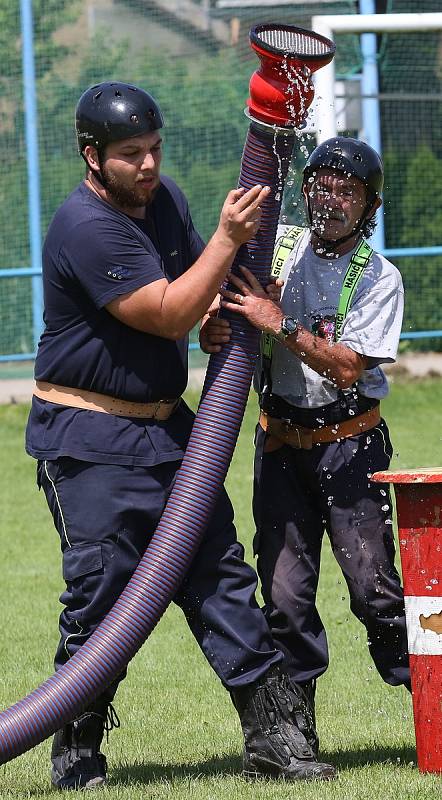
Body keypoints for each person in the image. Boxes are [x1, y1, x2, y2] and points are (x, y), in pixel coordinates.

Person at [25, 82, 337, 790]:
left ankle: (272, 740)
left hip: (167, 432)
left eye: (155, 149)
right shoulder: (84, 225)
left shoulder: (160, 202)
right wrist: (221, 251)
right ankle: (75, 751)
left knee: (221, 575)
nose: (148, 165)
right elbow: (165, 311)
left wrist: (216, 306)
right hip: (88, 440)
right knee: (103, 594)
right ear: (92, 156)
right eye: (131, 154)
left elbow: (203, 280)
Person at [200, 136, 411, 746]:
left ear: (369, 205)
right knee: (286, 600)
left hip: (351, 449)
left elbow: (348, 369)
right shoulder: (280, 247)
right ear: (305, 189)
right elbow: (227, 306)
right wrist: (217, 326)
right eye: (322, 185)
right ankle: (296, 740)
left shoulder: (378, 276)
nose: (332, 199)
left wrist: (278, 322)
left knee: (375, 594)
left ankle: (430, 705)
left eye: (348, 191)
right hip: (280, 448)